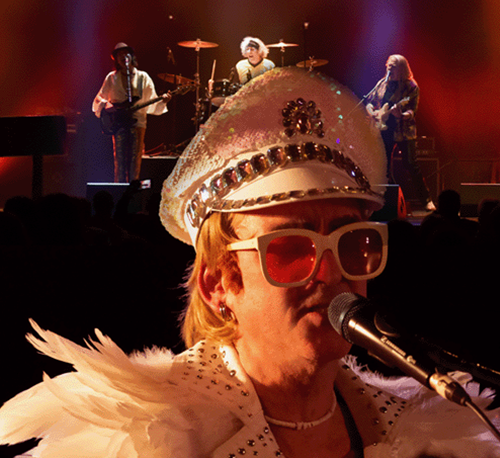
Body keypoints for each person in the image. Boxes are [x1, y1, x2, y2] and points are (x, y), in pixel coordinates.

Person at [1, 68, 499, 457]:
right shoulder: (141, 439)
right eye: (291, 247)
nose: (332, 273)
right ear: (218, 284)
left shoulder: (426, 426)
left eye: (353, 241)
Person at [92, 43, 172, 183]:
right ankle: (120, 190)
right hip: (118, 123)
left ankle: (133, 190)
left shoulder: (143, 77)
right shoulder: (111, 77)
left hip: (137, 123)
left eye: (126, 53)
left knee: (135, 162)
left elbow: (152, 100)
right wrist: (106, 104)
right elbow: (99, 98)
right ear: (116, 60)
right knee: (120, 162)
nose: (123, 57)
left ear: (132, 56)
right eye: (119, 55)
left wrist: (163, 101)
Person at [366, 54, 436, 212]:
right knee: (383, 166)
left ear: (402, 69)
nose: (389, 69)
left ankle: (426, 200)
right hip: (383, 129)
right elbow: (370, 102)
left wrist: (402, 115)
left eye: (393, 67)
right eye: (388, 66)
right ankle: (385, 202)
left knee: (411, 164)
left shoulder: (411, 86)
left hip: (404, 131)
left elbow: (412, 110)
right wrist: (372, 113)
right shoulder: (382, 84)